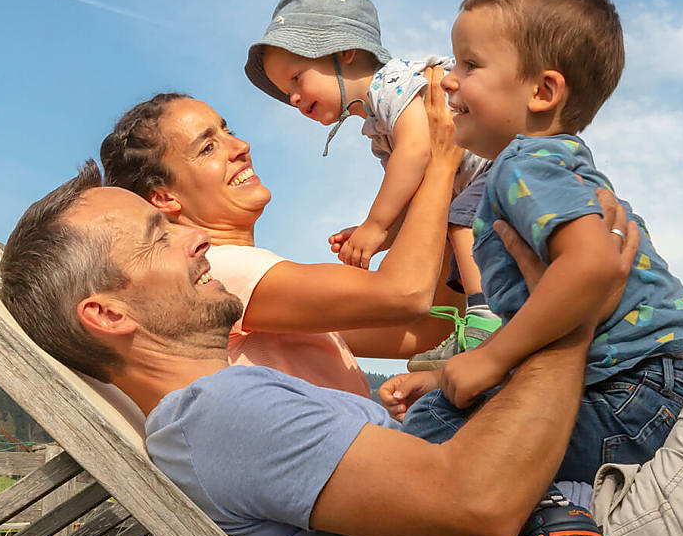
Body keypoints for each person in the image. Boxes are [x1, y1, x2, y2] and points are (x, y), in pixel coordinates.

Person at [0, 102, 636, 536]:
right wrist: (570, 310)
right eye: (159, 237)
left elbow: (420, 324)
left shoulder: (225, 403)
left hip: (578, 527)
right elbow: (408, 305)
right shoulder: (218, 412)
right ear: (108, 315)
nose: (197, 240)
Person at [382, 0, 683, 483]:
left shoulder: (524, 163)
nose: (447, 78)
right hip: (651, 382)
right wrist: (448, 374)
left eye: (470, 64)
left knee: (436, 433)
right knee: (452, 411)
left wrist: (490, 364)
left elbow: (593, 265)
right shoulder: (552, 163)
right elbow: (547, 311)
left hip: (630, 390)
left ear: (541, 90)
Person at [99, 75, 477, 397]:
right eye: (208, 147)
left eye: (228, 131)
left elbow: (426, 329)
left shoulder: (258, 296)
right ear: (164, 197)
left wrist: (444, 200)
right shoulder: (212, 272)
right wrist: (443, 163)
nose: (240, 147)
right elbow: (404, 294)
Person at [244, 0, 499, 357]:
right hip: (476, 182)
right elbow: (415, 196)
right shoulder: (379, 130)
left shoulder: (393, 85)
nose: (293, 97)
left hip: (498, 165)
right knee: (453, 221)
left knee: (460, 220)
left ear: (344, 52)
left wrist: (375, 224)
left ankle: (485, 317)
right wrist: (384, 236)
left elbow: (416, 149)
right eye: (287, 91)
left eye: (297, 78)